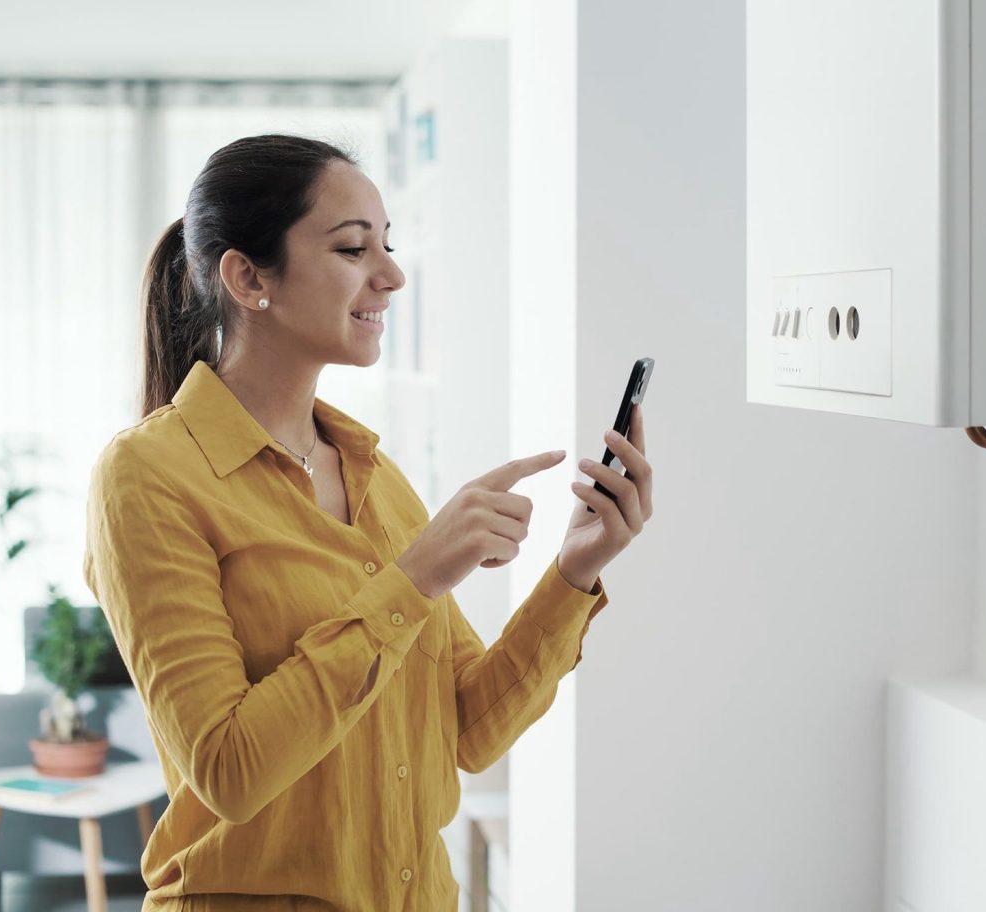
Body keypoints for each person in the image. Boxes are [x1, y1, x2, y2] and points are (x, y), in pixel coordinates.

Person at [81, 133, 654, 911]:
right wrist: (412, 579)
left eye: (387, 245)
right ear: (249, 277)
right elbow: (229, 771)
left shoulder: (374, 475)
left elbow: (468, 731)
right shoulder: (147, 477)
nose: (392, 275)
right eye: (353, 249)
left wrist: (573, 571)